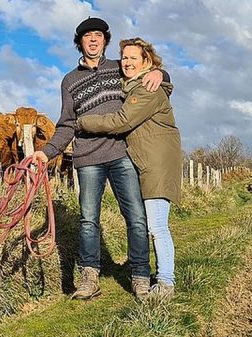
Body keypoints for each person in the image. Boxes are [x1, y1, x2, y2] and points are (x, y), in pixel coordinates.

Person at [33, 17, 167, 300]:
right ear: (79, 42)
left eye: (98, 35)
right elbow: (67, 123)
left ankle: (141, 276)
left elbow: (148, 76)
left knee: (136, 217)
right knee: (88, 220)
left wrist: (162, 74)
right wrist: (46, 152)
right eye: (87, 36)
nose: (93, 40)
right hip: (87, 158)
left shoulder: (119, 68)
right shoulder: (69, 80)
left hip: (122, 153)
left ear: (105, 40)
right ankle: (89, 278)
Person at [76, 37, 181, 299]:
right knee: (150, 223)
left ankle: (166, 281)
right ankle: (160, 278)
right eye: (124, 57)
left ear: (147, 62)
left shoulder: (146, 89)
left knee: (156, 225)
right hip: (147, 162)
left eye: (134, 58)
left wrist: (83, 122)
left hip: (156, 163)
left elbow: (121, 121)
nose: (127, 62)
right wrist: (160, 72)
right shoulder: (133, 86)